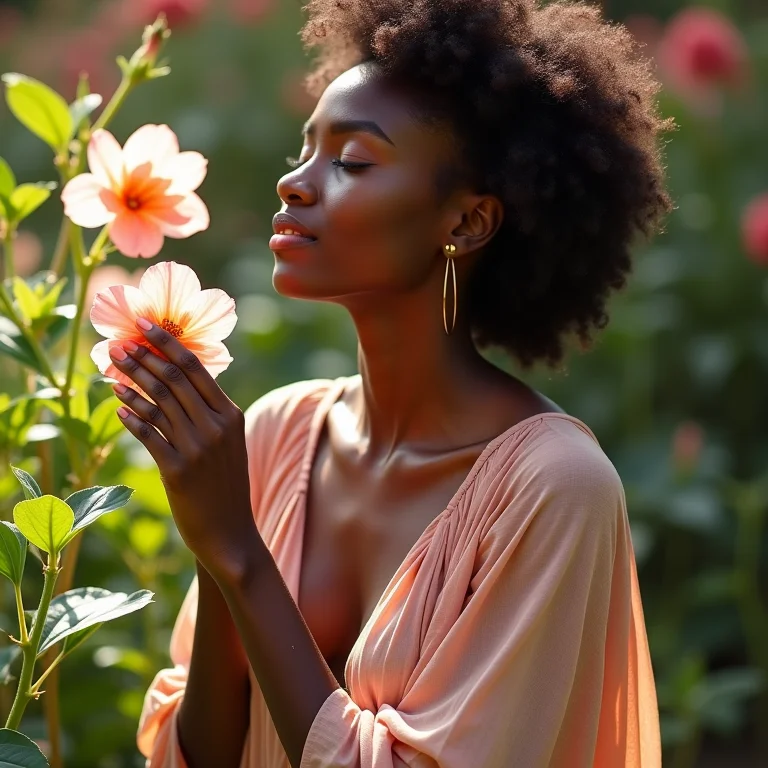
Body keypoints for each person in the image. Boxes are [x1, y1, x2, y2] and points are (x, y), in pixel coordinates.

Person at [127, 1, 673, 766]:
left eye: (351, 161)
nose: (294, 183)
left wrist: (243, 554)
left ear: (467, 223)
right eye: (305, 149)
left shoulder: (556, 491)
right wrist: (216, 548)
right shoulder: (275, 434)